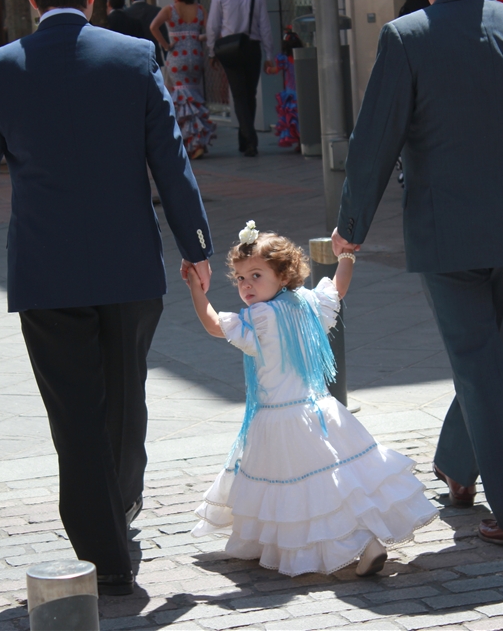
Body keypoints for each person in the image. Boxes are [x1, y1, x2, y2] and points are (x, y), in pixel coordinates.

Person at [0, 0, 214, 595]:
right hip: (129, 266)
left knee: (75, 412)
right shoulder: (134, 57)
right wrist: (195, 245)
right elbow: (170, 159)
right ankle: (119, 501)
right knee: (125, 392)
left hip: (48, 272)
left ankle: (105, 552)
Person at [333, 0, 503, 551]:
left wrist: (352, 225)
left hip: (446, 231)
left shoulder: (407, 37)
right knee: (486, 355)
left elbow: (374, 139)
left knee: (479, 365)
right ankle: (458, 465)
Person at [187, 223, 438, 577]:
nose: (246, 286)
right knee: (339, 484)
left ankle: (356, 544)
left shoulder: (260, 318)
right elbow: (338, 289)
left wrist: (195, 289)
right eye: (241, 278)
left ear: (283, 275)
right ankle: (365, 541)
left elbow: (214, 325)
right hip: (322, 410)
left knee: (301, 494)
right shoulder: (308, 304)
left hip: (279, 421)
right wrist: (346, 256)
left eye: (256, 275)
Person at [206, 0, 275, 157]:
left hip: (230, 47)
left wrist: (211, 51)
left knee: (239, 95)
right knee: (250, 94)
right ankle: (245, 140)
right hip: (252, 47)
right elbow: (264, 25)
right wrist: (269, 54)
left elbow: (213, 24)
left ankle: (249, 140)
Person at [150, 0, 216, 159]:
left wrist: (166, 45)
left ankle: (193, 142)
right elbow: (210, 32)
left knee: (181, 99)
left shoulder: (170, 10)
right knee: (193, 95)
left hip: (177, 57)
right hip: (195, 56)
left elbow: (153, 26)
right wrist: (195, 37)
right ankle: (197, 139)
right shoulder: (200, 9)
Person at [125, 0, 168, 65]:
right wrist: (166, 55)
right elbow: (164, 34)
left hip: (134, 55)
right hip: (154, 54)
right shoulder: (156, 11)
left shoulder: (126, 13)